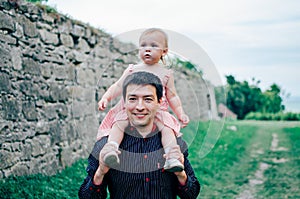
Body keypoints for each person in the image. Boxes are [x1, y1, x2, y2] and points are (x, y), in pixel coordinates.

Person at [78, 71, 200, 199]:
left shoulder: (174, 144)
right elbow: (86, 196)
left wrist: (181, 174)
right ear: (124, 102)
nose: (140, 107)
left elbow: (191, 194)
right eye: (133, 99)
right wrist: (100, 173)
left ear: (159, 102)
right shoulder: (105, 146)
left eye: (148, 99)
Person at [97, 28, 189, 172]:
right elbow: (118, 85)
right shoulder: (133, 69)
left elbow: (172, 96)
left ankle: (172, 157)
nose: (147, 49)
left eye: (153, 46)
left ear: (164, 51)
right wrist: (106, 97)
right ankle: (112, 149)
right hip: (131, 109)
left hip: (156, 110)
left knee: (167, 129)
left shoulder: (166, 74)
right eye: (143, 45)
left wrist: (180, 113)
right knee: (119, 123)